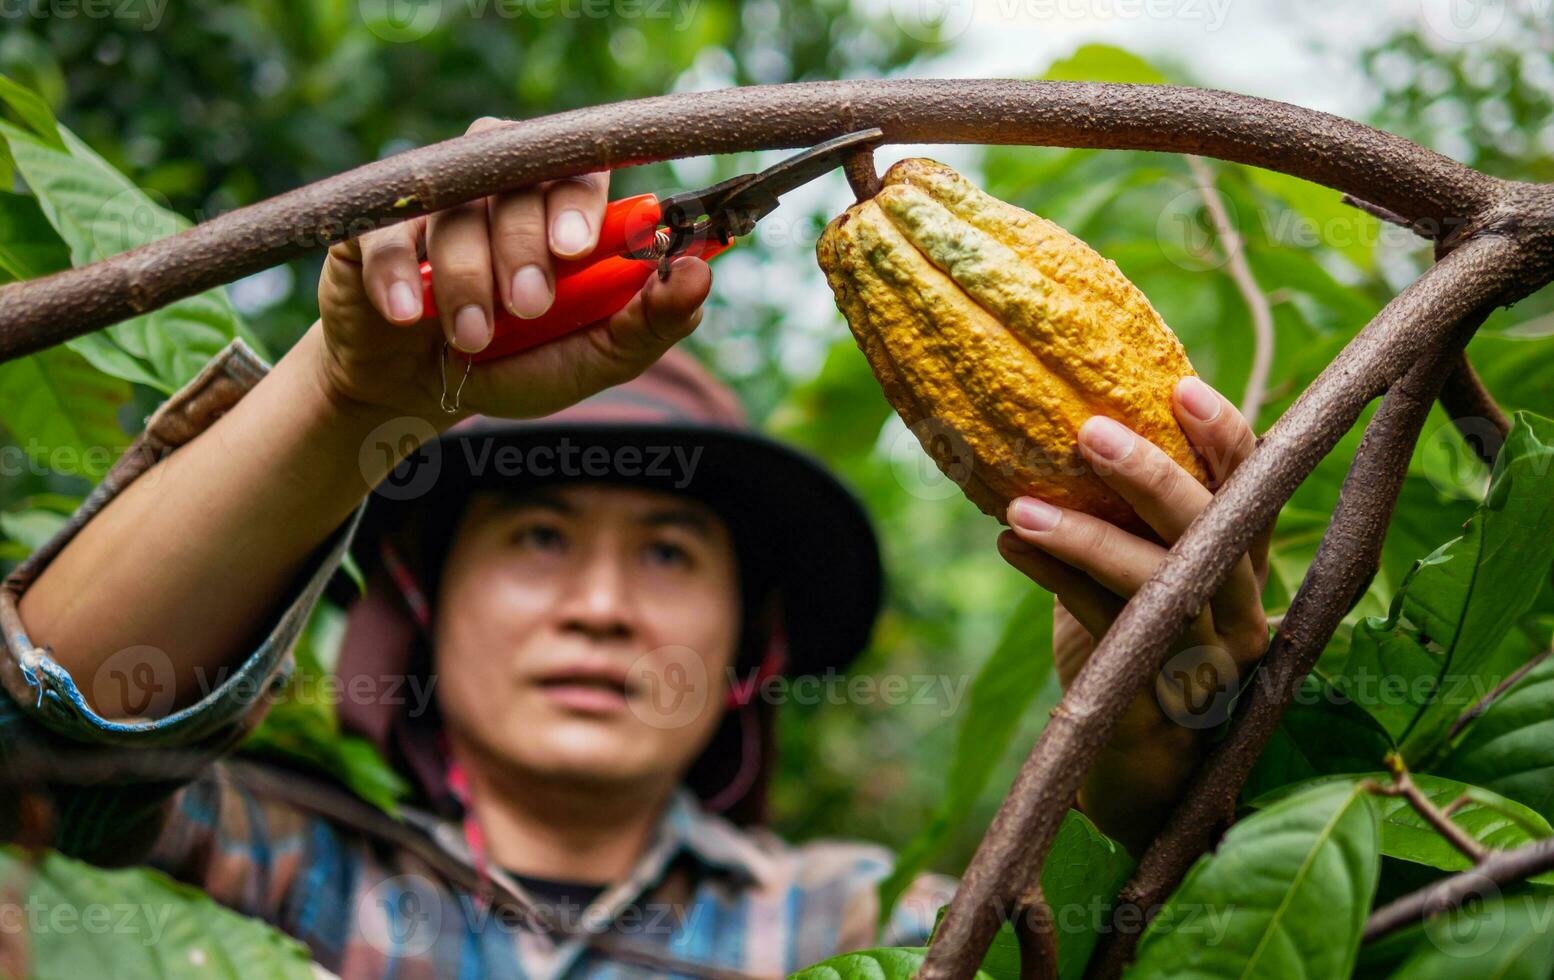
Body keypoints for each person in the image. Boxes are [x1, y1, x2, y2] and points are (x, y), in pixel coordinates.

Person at [0, 118, 1270, 978]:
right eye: (540, 536)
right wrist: (346, 395)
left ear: (748, 641)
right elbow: (32, 757)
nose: (602, 606)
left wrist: (1155, 783)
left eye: (669, 554)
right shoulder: (243, 859)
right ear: (425, 602)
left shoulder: (873, 922)